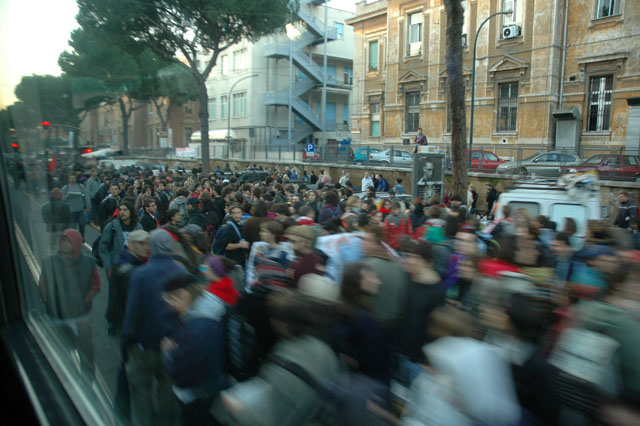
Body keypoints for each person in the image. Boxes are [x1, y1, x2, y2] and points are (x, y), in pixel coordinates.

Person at [121, 229, 186, 426]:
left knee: (141, 390)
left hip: (143, 345)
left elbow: (131, 313)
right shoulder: (182, 273)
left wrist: (126, 343)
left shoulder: (140, 274)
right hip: (172, 345)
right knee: (167, 390)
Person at [161, 274, 228, 426]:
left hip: (197, 396)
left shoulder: (197, 328)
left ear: (188, 292)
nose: (171, 304)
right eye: (168, 299)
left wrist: (168, 354)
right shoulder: (213, 305)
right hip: (214, 384)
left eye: (174, 297)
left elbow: (181, 375)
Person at [39, 229, 100, 373]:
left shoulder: (89, 263)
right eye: (63, 240)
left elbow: (96, 284)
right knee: (61, 353)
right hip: (58, 316)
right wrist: (50, 303)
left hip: (81, 317)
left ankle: (87, 382)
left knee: (86, 353)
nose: (65, 244)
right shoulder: (49, 263)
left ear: (77, 243)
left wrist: (85, 300)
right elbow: (42, 285)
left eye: (69, 241)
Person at [99, 198, 144, 279]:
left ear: (131, 211)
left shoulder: (138, 227)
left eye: (125, 210)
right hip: (116, 267)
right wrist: (108, 266)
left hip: (134, 268)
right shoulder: (112, 227)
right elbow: (103, 248)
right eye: (120, 210)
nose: (122, 212)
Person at [246, 221, 295, 290]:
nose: (260, 233)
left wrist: (258, 258)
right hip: (262, 288)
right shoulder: (260, 249)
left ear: (273, 234)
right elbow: (253, 270)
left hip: (273, 290)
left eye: (263, 231)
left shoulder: (283, 253)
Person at [61, 172, 91, 241]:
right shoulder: (66, 188)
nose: (72, 179)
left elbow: (86, 196)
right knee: (72, 227)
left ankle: (82, 237)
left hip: (80, 209)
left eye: (73, 178)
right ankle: (74, 239)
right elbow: (61, 199)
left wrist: (88, 206)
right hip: (71, 211)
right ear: (69, 179)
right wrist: (67, 197)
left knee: (82, 224)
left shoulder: (81, 186)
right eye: (71, 178)